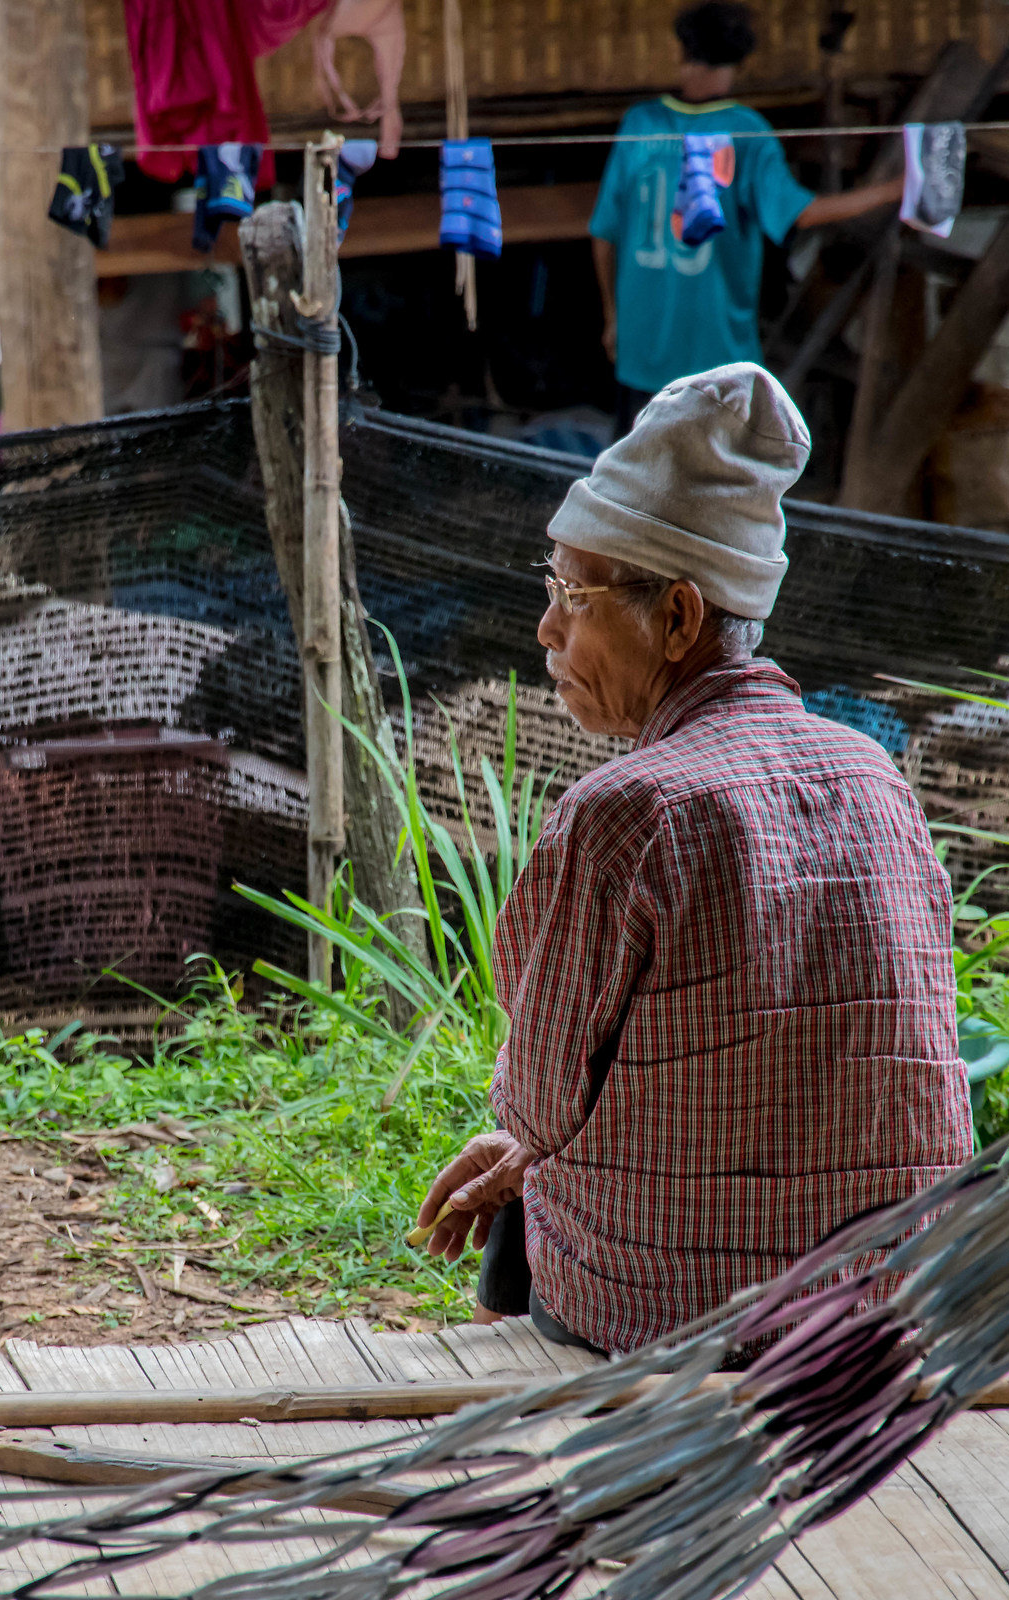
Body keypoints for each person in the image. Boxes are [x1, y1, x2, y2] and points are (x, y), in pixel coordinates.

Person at [413, 364, 974, 1357]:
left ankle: (517, 1423)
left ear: (677, 618)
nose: (547, 629)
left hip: (668, 1316)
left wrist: (530, 1150)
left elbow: (541, 1102)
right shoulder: (877, 776)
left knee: (523, 1205)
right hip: (884, 1301)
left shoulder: (624, 812)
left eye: (573, 596)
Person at [589, 3, 902, 433]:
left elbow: (604, 233)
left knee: (636, 486)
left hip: (643, 347)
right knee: (714, 487)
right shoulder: (747, 132)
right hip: (716, 359)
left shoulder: (640, 124)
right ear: (739, 59)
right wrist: (891, 191)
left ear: (681, 52)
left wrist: (613, 316)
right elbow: (802, 213)